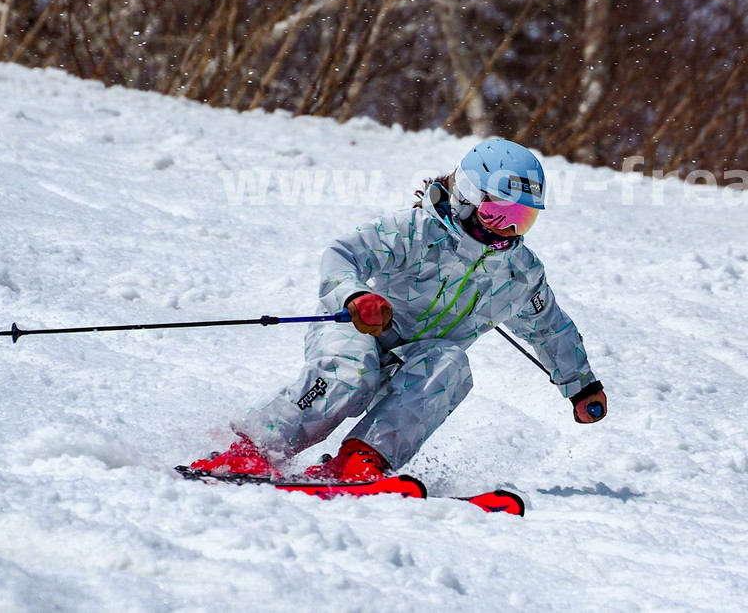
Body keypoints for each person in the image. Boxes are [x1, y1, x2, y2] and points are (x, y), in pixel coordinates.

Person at [187, 139, 607, 483]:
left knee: (451, 365)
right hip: (360, 327)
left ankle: (360, 460)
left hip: (418, 358)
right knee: (350, 374)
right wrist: (354, 296)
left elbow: (550, 328)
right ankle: (253, 449)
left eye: (522, 219)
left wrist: (581, 385)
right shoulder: (415, 231)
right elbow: (342, 254)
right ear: (467, 196)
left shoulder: (518, 271)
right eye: (499, 212)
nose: (507, 229)